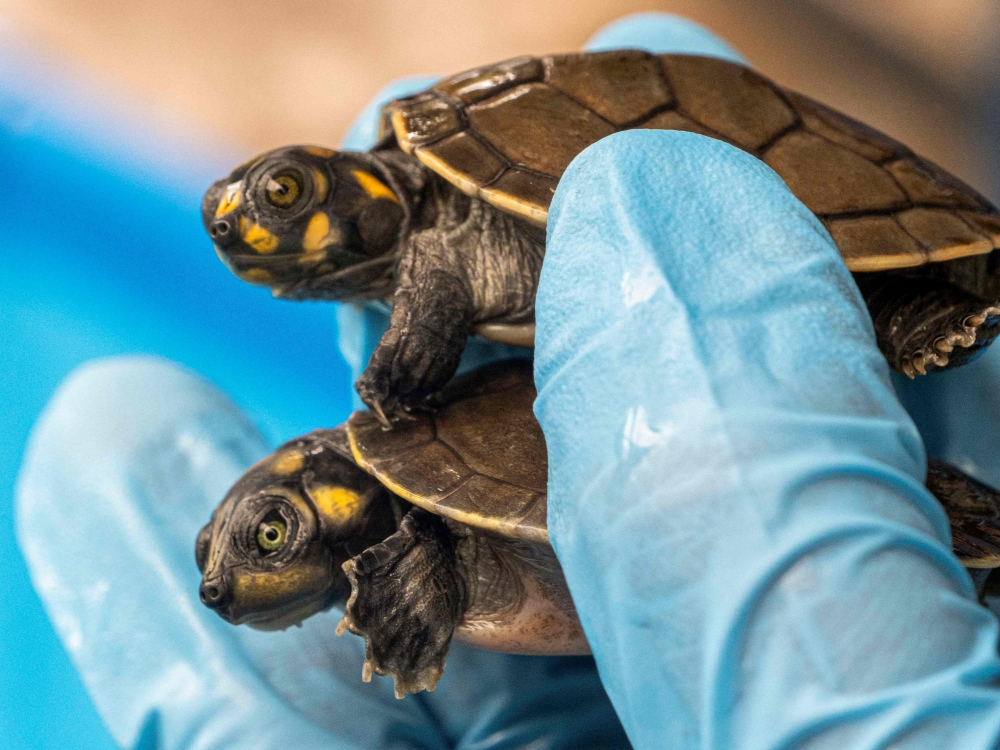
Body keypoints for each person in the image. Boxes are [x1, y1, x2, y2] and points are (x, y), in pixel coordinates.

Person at [16, 13, 1000, 749]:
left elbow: (434, 303)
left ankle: (928, 304)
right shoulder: (420, 446)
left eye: (279, 193)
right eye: (233, 214)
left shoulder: (442, 243)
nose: (246, 218)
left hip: (767, 214)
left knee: (794, 315)